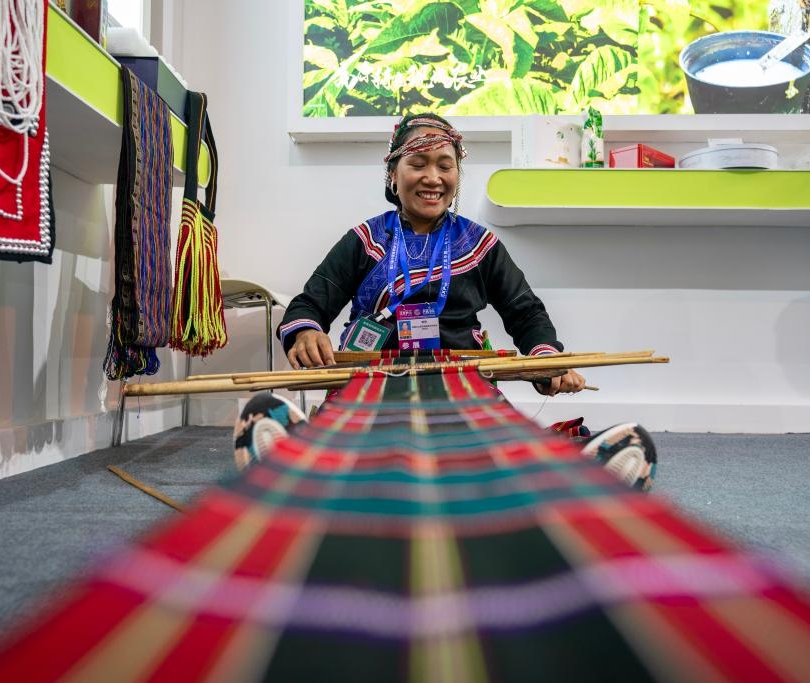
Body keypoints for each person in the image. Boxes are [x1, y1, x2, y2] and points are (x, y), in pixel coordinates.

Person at [244, 113, 656, 489]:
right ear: (392, 174)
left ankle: (303, 466)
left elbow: (525, 311)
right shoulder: (364, 241)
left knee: (477, 439)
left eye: (445, 165)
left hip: (462, 378)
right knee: (379, 440)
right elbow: (310, 303)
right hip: (375, 379)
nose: (433, 177)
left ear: (458, 174)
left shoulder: (480, 245)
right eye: (418, 164)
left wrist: (544, 358)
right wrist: (306, 331)